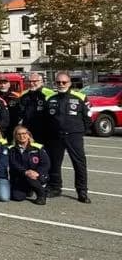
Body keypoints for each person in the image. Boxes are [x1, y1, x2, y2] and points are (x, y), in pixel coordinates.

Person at [45, 72, 91, 203]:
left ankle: (82, 191)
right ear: (55, 83)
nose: (61, 85)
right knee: (54, 164)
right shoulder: (51, 98)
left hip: (74, 136)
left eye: (64, 82)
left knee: (79, 164)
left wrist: (80, 132)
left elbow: (88, 117)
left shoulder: (80, 97)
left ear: (70, 83)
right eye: (58, 82)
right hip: (55, 136)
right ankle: (55, 188)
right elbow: (47, 119)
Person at [10, 125, 50, 205]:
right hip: (21, 175)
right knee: (17, 197)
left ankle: (42, 194)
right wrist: (25, 172)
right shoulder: (12, 149)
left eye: (24, 133)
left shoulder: (37, 147)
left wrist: (37, 172)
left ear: (28, 135)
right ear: (15, 136)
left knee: (31, 177)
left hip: (37, 176)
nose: (22, 136)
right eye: (19, 134)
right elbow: (13, 164)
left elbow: (45, 163)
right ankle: (29, 189)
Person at [18, 72, 54, 148]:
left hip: (45, 130)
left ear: (41, 82)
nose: (31, 83)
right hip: (28, 130)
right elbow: (21, 112)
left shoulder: (50, 94)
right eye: (30, 81)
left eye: (34, 81)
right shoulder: (24, 95)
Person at [0, 76, 22, 141]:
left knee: (12, 144)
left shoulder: (15, 96)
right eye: (0, 83)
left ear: (9, 84)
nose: (3, 85)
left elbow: (20, 110)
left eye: (5, 83)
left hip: (12, 125)